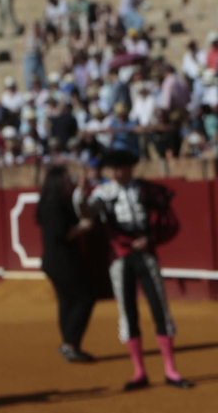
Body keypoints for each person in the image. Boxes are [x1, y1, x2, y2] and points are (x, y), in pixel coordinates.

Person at [82, 147, 190, 390]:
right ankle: (139, 371)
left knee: (159, 310)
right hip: (120, 258)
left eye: (121, 167)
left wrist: (150, 239)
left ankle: (170, 370)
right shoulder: (102, 192)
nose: (117, 172)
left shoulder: (146, 189)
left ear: (130, 168)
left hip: (145, 253)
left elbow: (168, 220)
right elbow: (88, 213)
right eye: (113, 168)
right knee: (128, 312)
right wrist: (81, 192)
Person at [38, 164, 98, 363]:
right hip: (63, 260)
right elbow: (61, 234)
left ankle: (69, 344)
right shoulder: (55, 205)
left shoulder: (49, 201)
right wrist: (82, 228)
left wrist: (81, 183)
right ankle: (70, 345)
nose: (69, 182)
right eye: (66, 179)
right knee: (84, 298)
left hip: (54, 260)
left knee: (67, 301)